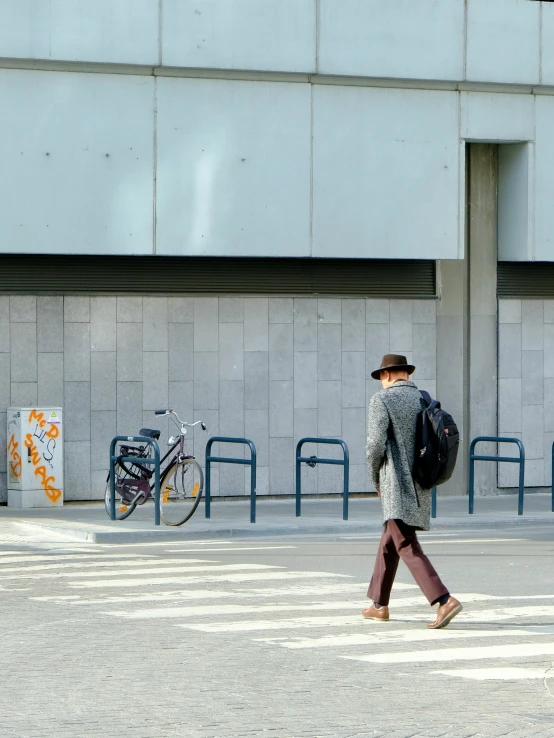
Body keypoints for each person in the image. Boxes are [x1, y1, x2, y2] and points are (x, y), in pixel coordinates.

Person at [362, 354, 462, 630]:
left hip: (394, 482)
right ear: (405, 374)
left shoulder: (381, 400)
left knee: (404, 543)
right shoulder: (422, 398)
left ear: (386, 375)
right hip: (419, 482)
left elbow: (374, 446)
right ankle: (379, 605)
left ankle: (443, 599)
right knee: (390, 540)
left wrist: (375, 479)